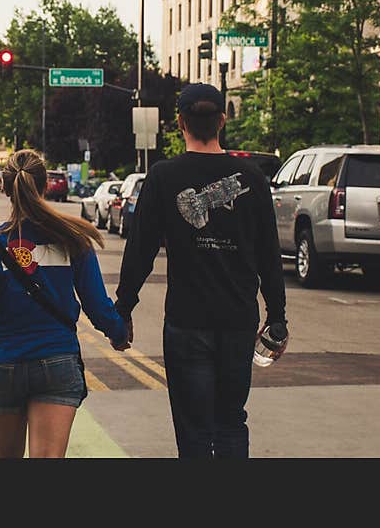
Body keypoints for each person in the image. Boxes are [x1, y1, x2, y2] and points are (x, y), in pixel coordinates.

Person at [115, 83, 287, 459]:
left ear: (180, 123)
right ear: (222, 121)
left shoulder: (162, 177)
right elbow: (269, 255)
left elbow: (140, 250)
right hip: (238, 320)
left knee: (193, 429)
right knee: (230, 422)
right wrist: (278, 317)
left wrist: (123, 308)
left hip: (186, 323)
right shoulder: (253, 177)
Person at [0, 149, 131, 458]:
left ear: (4, 189)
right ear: (44, 187)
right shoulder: (72, 240)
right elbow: (97, 305)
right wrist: (118, 332)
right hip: (57, 362)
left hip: (2, 363)